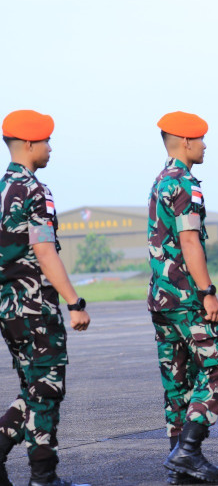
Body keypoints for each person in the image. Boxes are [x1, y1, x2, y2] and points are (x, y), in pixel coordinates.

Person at [0, 110, 91, 486]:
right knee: (48, 388)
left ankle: (39, 473)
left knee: (35, 387)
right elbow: (44, 250)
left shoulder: (4, 190)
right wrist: (74, 301)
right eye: (47, 141)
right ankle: (43, 478)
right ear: (29, 144)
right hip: (35, 306)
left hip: (9, 309)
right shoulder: (34, 190)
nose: (51, 149)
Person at [148, 111, 218, 485]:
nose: (204, 145)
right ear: (185, 141)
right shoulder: (184, 183)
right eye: (200, 139)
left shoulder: (160, 180)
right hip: (186, 297)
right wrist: (207, 293)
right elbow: (188, 240)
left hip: (161, 298)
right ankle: (187, 451)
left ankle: (178, 462)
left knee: (177, 380)